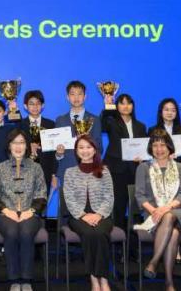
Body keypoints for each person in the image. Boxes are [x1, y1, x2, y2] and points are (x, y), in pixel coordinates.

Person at [0, 129, 47, 291]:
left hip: (31, 213)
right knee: (12, 232)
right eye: (14, 143)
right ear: (9, 146)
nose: (18, 146)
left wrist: (30, 211)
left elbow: (42, 194)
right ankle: (14, 280)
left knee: (26, 232)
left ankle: (26, 280)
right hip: (5, 213)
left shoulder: (36, 168)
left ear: (27, 145)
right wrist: (7, 211)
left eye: (22, 142)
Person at [134, 129, 181, 291]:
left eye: (163, 145)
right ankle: (169, 283)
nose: (159, 149)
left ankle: (153, 262)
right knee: (174, 234)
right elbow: (140, 196)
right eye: (155, 145)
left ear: (169, 147)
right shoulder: (143, 168)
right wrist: (154, 211)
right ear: (150, 148)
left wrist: (165, 209)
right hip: (151, 213)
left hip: (177, 212)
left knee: (169, 216)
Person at [63, 135, 114, 291]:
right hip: (78, 216)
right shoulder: (70, 172)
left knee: (100, 233)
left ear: (94, 150)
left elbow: (109, 197)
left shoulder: (104, 170)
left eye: (88, 147)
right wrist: (84, 215)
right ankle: (94, 279)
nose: (85, 151)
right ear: (76, 151)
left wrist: (98, 215)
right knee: (89, 233)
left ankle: (103, 279)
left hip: (102, 215)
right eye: (81, 147)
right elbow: (69, 198)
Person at [100, 93, 148, 229]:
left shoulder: (141, 126)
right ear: (117, 106)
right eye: (122, 103)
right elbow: (102, 125)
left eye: (129, 103)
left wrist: (143, 158)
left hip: (135, 169)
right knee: (118, 206)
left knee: (136, 206)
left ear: (133, 106)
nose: (126, 106)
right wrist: (108, 106)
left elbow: (145, 147)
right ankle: (118, 236)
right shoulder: (112, 122)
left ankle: (135, 237)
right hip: (116, 170)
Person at [54, 81, 101, 186]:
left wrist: (87, 142)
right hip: (66, 171)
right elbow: (56, 151)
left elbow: (99, 147)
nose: (76, 97)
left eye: (79, 94)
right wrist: (59, 154)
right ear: (67, 97)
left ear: (85, 96)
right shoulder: (60, 120)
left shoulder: (94, 120)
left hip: (89, 171)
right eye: (72, 94)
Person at [20, 90, 57, 194]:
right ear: (25, 106)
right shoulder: (19, 125)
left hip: (45, 172)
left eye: (38, 103)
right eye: (31, 103)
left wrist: (54, 175)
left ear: (42, 105)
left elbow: (54, 152)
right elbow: (12, 147)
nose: (35, 106)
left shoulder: (51, 124)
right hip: (24, 172)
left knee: (43, 203)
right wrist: (28, 146)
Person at [148, 98, 181, 166]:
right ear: (161, 112)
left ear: (176, 113)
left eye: (173, 110)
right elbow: (150, 151)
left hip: (179, 166)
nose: (170, 113)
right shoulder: (153, 130)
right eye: (166, 110)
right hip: (159, 167)